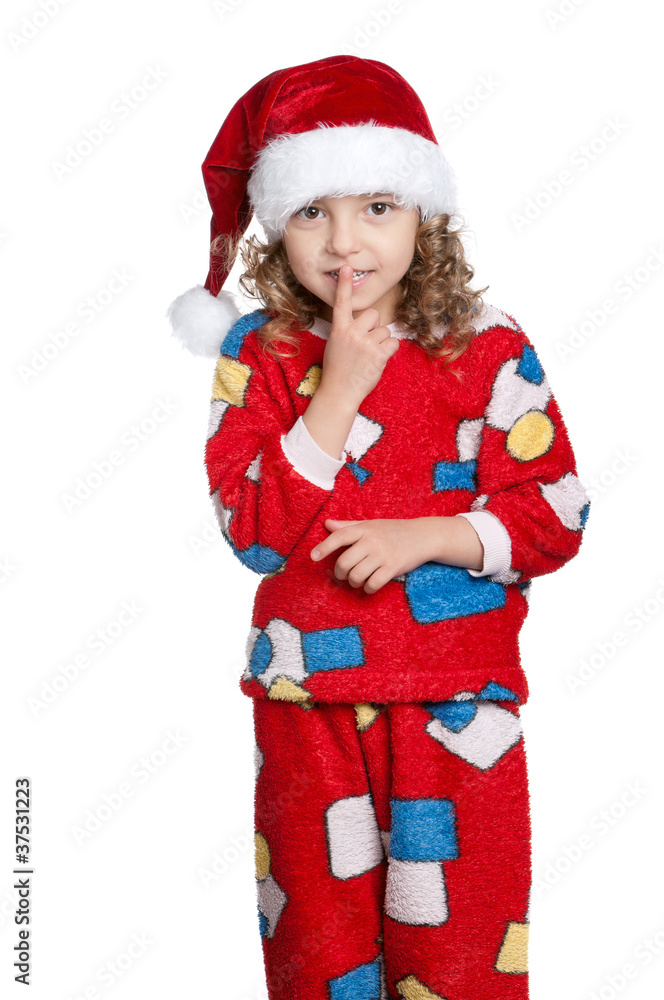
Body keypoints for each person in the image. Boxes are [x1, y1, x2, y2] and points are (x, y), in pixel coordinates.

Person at [168, 55, 590, 1000]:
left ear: (421, 213)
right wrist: (339, 394)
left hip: (458, 704)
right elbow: (254, 533)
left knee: (461, 955)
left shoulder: (489, 346)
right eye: (311, 213)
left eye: (376, 207)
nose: (344, 241)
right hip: (307, 702)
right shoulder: (259, 353)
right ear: (276, 226)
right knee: (318, 957)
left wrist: (425, 536)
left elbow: (555, 514)